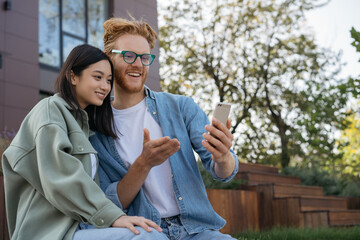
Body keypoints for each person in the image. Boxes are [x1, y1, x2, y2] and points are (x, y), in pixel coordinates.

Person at [89, 17, 239, 240]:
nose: (138, 65)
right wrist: (144, 163)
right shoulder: (96, 129)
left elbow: (224, 172)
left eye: (145, 58)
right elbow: (110, 204)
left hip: (195, 230)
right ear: (109, 58)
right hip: (146, 230)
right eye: (128, 56)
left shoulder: (180, 107)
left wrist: (223, 156)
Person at [1, 44, 169, 240]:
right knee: (148, 237)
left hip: (81, 228)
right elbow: (61, 178)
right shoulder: (49, 111)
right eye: (97, 77)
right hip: (49, 233)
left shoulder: (86, 127)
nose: (105, 86)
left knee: (152, 233)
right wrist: (114, 216)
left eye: (108, 80)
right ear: (73, 76)